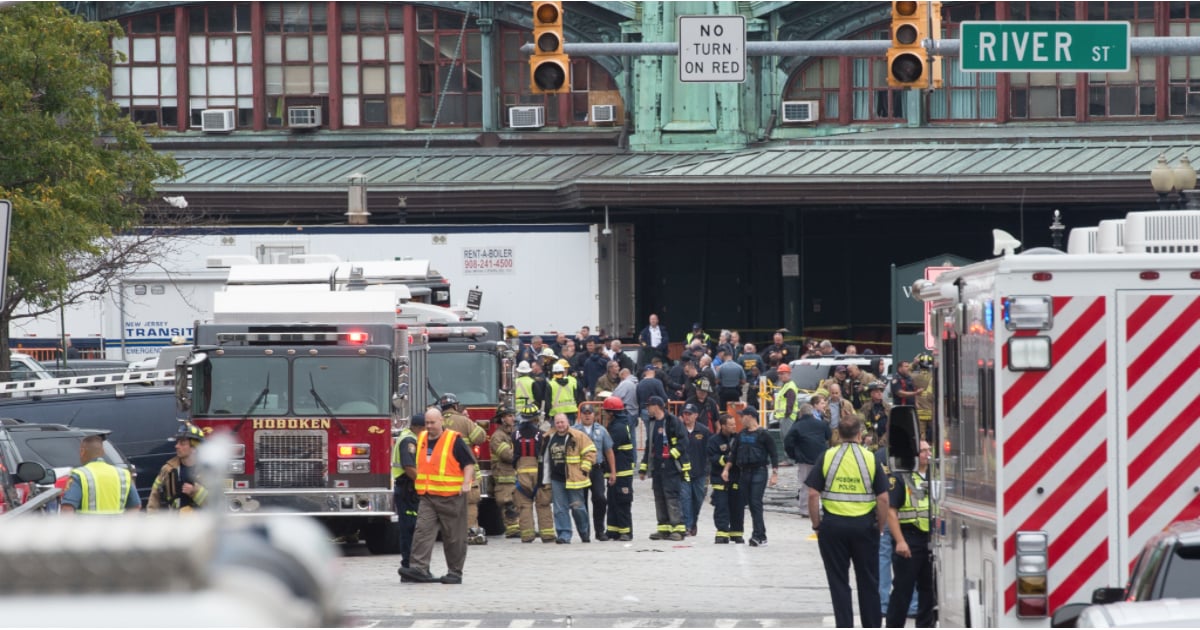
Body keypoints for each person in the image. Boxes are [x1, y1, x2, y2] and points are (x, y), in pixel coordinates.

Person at [807, 416, 890, 628]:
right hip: (864, 527)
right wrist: (879, 526)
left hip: (833, 527)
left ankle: (844, 625)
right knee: (869, 582)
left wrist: (817, 525)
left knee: (838, 583)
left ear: (838, 434)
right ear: (860, 434)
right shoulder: (870, 458)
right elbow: (883, 498)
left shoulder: (827, 456)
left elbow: (813, 495)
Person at [399, 407, 476, 585]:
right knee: (422, 532)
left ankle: (454, 572)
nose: (430, 426)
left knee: (454, 536)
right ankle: (419, 568)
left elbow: (469, 463)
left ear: (442, 421)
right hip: (428, 496)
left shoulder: (453, 440)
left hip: (451, 497)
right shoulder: (422, 439)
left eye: (433, 422)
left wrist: (466, 483)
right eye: (427, 423)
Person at [723, 407, 778, 547]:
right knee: (750, 504)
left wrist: (775, 474)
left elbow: (773, 454)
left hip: (759, 471)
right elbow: (733, 454)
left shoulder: (764, 434)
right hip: (744, 472)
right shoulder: (741, 435)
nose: (740, 419)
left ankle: (758, 535)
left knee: (755, 502)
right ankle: (760, 534)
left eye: (743, 416)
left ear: (751, 417)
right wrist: (726, 469)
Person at [438, 393, 488, 545]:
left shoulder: (436, 423)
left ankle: (450, 533)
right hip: (465, 470)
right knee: (470, 502)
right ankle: (471, 531)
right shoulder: (463, 421)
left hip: (444, 472)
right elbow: (480, 437)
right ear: (455, 406)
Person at [640, 395, 691, 541]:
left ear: (656, 406)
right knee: (659, 497)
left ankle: (678, 528)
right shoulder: (652, 423)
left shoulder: (672, 421)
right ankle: (663, 528)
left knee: (672, 497)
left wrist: (671, 455)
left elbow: (683, 441)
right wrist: (644, 468)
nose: (647, 409)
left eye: (649, 406)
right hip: (657, 466)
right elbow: (649, 447)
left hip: (670, 466)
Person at [541, 413, 596, 544]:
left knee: (578, 508)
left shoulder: (577, 436)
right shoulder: (548, 437)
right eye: (557, 422)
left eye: (562, 422)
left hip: (574, 479)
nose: (560, 425)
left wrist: (584, 468)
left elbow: (591, 451)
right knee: (560, 509)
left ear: (567, 422)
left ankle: (584, 531)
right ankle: (564, 534)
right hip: (556, 478)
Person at [61, 433, 140, 514]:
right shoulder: (123, 474)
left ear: (82, 451)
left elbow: (67, 508)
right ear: (103, 452)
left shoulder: (80, 475)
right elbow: (135, 506)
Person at [513, 405, 555, 543]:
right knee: (543, 504)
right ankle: (547, 535)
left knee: (524, 506)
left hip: (522, 475)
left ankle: (527, 535)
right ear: (536, 418)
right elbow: (546, 455)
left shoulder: (515, 434)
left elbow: (514, 456)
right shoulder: (541, 434)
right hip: (539, 474)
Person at [573, 404, 615, 540]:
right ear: (580, 415)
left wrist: (613, 472)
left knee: (600, 499)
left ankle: (599, 531)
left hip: (597, 469)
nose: (587, 415)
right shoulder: (574, 430)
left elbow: (608, 451)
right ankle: (585, 533)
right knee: (581, 503)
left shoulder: (601, 430)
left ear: (594, 415)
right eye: (584, 413)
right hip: (580, 471)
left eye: (589, 413)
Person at [147, 422, 210, 512]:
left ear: (194, 448)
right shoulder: (167, 470)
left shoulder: (208, 471)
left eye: (182, 443)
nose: (176, 446)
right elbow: (154, 499)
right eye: (177, 442)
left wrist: (195, 491)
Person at [783, 403, 830, 517]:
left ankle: (805, 510)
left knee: (805, 484)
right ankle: (823, 508)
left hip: (804, 458)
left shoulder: (797, 426)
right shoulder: (821, 424)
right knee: (823, 483)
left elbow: (788, 441)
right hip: (821, 457)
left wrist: (793, 455)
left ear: (801, 413)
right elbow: (828, 436)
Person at [391, 413, 424, 570]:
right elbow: (409, 467)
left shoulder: (409, 437)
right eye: (425, 428)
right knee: (410, 528)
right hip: (408, 490)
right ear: (418, 427)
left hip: (408, 490)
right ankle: (409, 565)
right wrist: (425, 483)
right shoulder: (409, 441)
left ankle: (411, 565)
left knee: (411, 528)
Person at [602, 395, 636, 541]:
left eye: (605, 412)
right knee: (613, 501)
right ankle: (613, 530)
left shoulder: (618, 428)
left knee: (622, 501)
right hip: (616, 470)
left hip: (622, 471)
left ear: (611, 413)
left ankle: (625, 531)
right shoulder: (619, 423)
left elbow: (610, 448)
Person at [707, 413, 743, 543]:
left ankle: (736, 532)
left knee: (737, 507)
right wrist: (727, 460)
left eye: (734, 424)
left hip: (735, 478)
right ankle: (722, 533)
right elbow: (712, 458)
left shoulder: (739, 438)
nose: (734, 427)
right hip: (719, 479)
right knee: (721, 507)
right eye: (731, 425)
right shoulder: (714, 440)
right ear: (723, 426)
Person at [678, 403, 711, 537]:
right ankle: (687, 525)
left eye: (689, 414)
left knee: (697, 499)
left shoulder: (703, 431)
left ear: (696, 416)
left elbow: (709, 451)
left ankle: (693, 522)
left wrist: (708, 469)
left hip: (700, 472)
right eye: (685, 414)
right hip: (683, 472)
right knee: (685, 498)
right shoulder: (679, 430)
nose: (686, 416)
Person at [489, 407, 520, 538]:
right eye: (509, 416)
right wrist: (524, 454)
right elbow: (508, 455)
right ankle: (512, 529)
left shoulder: (513, 433)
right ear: (502, 419)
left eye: (513, 415)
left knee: (518, 502)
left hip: (513, 474)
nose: (513, 418)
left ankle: (520, 527)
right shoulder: (497, 437)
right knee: (507, 502)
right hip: (503, 476)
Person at [773, 363, 799, 437]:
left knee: (787, 439)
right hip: (784, 417)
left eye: (782, 373)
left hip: (787, 418)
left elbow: (790, 404)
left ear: (788, 374)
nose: (780, 376)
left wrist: (786, 415)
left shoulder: (790, 386)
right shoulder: (785, 385)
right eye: (779, 374)